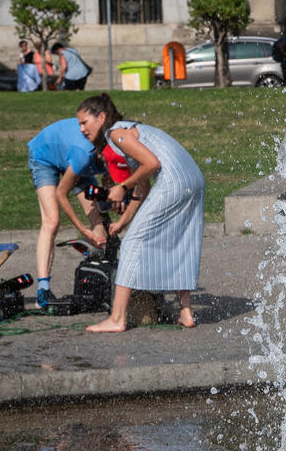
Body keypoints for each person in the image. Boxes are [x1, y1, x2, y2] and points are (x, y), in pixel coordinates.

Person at [75, 94, 205, 332]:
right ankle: (186, 312)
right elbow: (143, 185)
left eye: (84, 122)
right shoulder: (132, 130)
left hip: (173, 179)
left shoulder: (116, 132)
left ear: (101, 117)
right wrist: (123, 221)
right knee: (177, 241)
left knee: (132, 244)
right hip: (193, 178)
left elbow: (152, 164)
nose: (81, 129)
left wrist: (121, 187)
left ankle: (117, 318)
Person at [26, 117, 107, 305]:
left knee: (96, 214)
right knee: (52, 221)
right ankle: (43, 289)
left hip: (72, 158)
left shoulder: (112, 153)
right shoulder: (84, 155)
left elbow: (111, 185)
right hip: (44, 155)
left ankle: (103, 274)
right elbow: (62, 194)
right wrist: (83, 230)